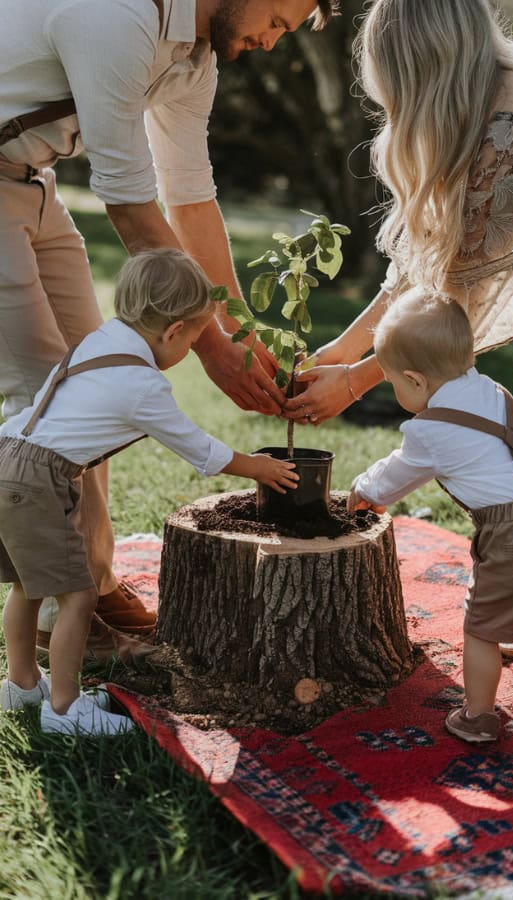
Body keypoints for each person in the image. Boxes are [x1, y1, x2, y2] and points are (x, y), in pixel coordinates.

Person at [0, 0, 339, 657]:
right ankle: (54, 620)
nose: (272, 43)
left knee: (91, 377)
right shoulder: (118, 15)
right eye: (278, 20)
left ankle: (91, 585)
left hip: (30, 184)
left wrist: (240, 332)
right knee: (44, 387)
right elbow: (128, 202)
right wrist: (211, 346)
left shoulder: (194, 56)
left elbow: (189, 196)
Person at [287, 0, 513, 666]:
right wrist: (346, 347)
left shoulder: (504, 134)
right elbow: (424, 266)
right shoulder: (509, 83)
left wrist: (356, 380)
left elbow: (449, 310)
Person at [0, 248, 298, 735]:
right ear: (175, 331)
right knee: (77, 596)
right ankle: (63, 709)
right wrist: (260, 468)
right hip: (39, 482)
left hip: (8, 457)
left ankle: (22, 684)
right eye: (196, 338)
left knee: (26, 588)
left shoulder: (99, 340)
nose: (189, 350)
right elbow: (199, 448)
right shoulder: (141, 384)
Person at [347, 290, 513, 743]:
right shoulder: (494, 392)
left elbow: (395, 475)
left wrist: (363, 490)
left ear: (415, 381)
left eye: (393, 383)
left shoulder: (430, 429)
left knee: (481, 631)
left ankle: (478, 716)